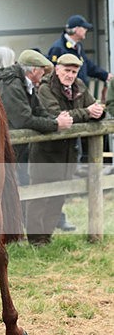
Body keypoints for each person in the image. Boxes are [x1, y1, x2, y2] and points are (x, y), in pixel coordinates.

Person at [26, 53, 105, 246]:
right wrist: (87, 113)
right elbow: (55, 115)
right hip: (45, 152)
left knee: (59, 196)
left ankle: (47, 236)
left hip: (69, 152)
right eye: (67, 70)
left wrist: (97, 113)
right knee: (40, 196)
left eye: (74, 71)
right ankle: (36, 239)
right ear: (57, 68)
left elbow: (91, 106)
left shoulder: (79, 86)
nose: (70, 75)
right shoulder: (45, 87)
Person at [0, 49, 73, 186]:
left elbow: (38, 110)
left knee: (21, 185)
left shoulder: (24, 83)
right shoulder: (12, 85)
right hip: (6, 150)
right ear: (34, 70)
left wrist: (55, 119)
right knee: (11, 187)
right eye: (43, 70)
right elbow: (24, 120)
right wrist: (56, 124)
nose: (45, 74)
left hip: (16, 149)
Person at [47, 14, 112, 88]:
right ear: (76, 29)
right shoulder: (58, 48)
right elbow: (52, 72)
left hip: (79, 91)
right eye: (84, 28)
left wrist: (105, 75)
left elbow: (87, 65)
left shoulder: (78, 46)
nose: (86, 30)